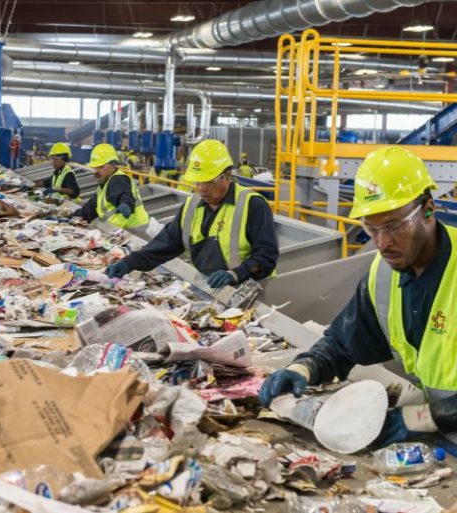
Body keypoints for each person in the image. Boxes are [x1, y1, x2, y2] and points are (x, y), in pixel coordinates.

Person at [258, 146, 457, 447]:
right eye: (371, 228)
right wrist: (303, 368)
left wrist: (416, 419)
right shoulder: (384, 274)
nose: (382, 243)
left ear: (429, 209)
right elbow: (343, 342)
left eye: (393, 226)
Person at [105, 139, 278, 288]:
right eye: (198, 182)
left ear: (227, 175)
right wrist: (130, 262)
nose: (202, 189)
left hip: (250, 288)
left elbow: (266, 255)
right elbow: (167, 243)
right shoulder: (191, 205)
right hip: (212, 285)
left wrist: (237, 274)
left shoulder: (252, 205)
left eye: (209, 182)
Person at [72, 143, 149, 234]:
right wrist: (75, 214)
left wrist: (126, 204)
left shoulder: (118, 179)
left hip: (134, 232)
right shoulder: (103, 185)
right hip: (116, 231)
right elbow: (91, 208)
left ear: (113, 166)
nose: (96, 171)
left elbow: (124, 194)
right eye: (95, 168)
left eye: (100, 167)